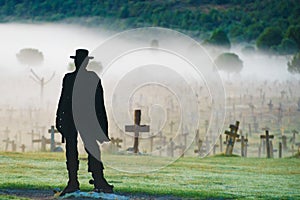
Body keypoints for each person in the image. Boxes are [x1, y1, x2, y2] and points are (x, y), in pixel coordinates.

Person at [56, 49, 113, 196]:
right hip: (74, 118)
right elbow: (64, 100)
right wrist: (59, 118)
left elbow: (98, 103)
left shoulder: (89, 78)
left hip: (84, 119)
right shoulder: (71, 78)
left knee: (90, 149)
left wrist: (101, 125)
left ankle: (97, 179)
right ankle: (75, 181)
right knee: (73, 150)